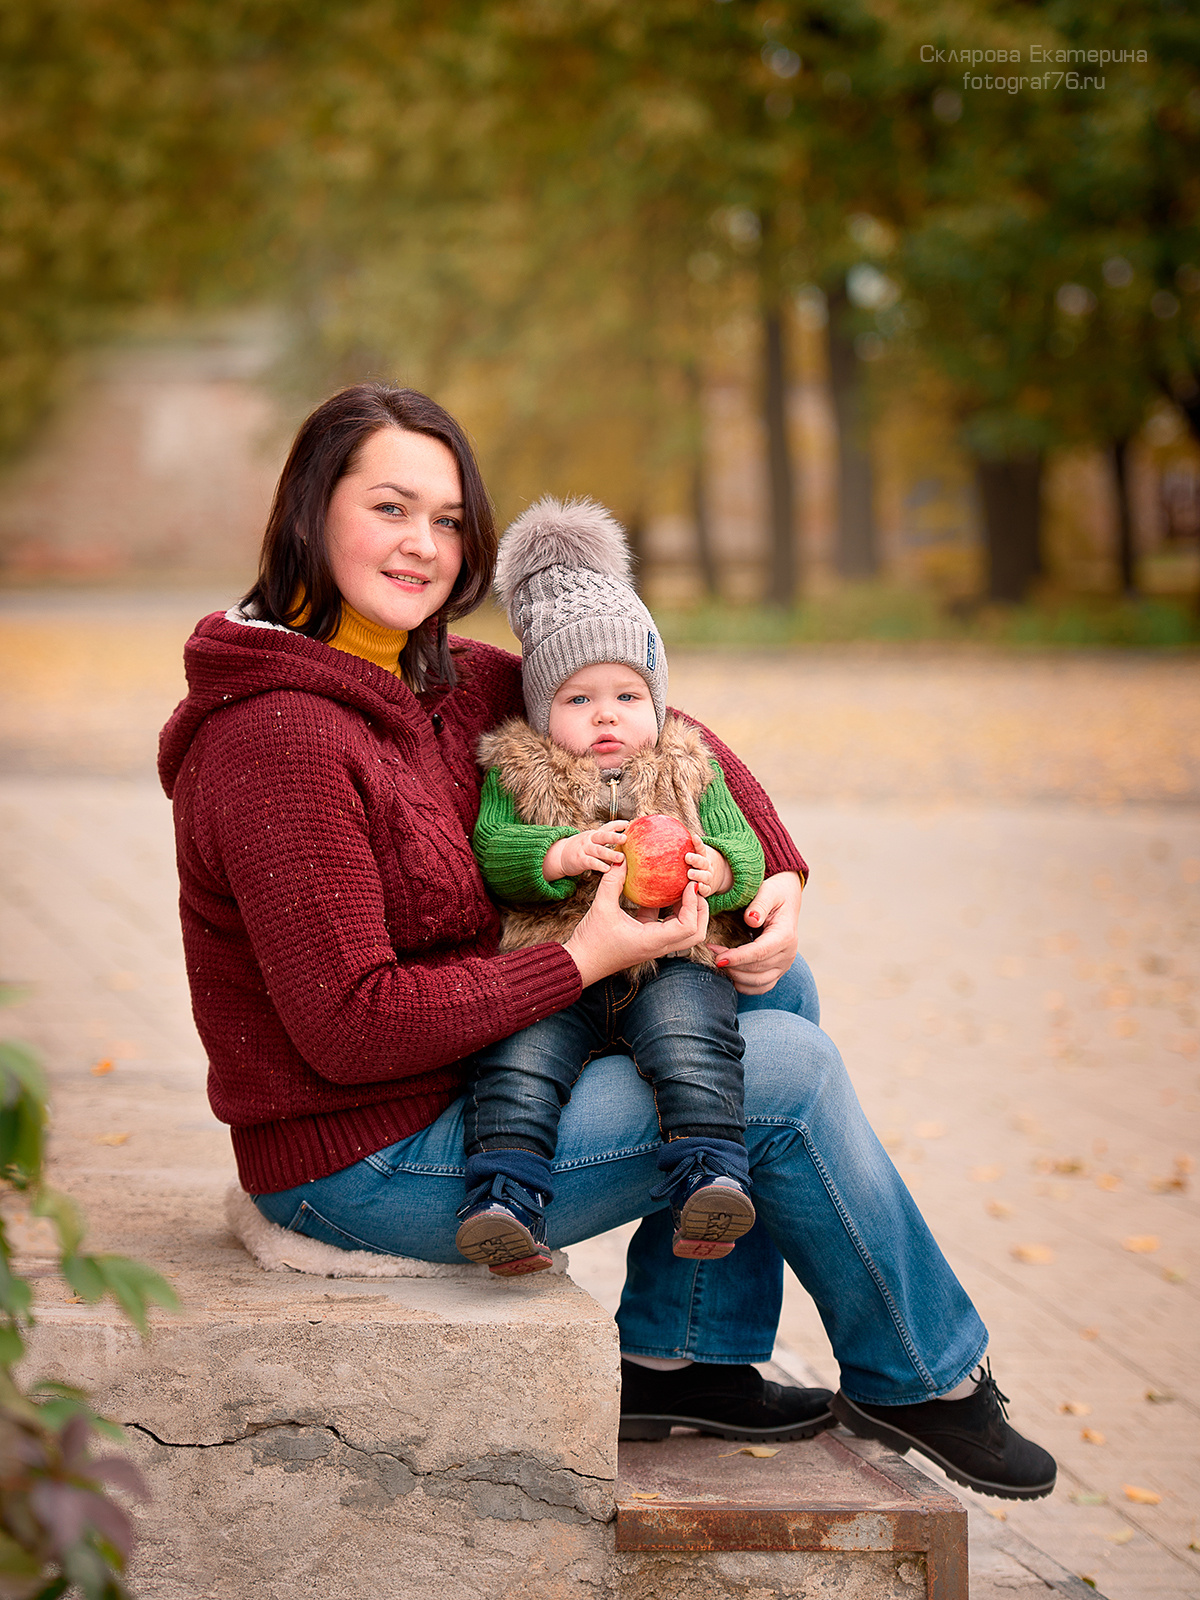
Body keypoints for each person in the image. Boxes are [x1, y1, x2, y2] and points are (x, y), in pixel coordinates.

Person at [159, 381, 1056, 1493]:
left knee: (772, 986)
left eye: (448, 519)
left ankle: (685, 1357)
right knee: (787, 1073)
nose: (424, 544)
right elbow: (350, 1028)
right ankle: (921, 1376)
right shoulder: (277, 740)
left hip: (457, 1080)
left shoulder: (432, 675)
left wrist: (776, 872)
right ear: (310, 509)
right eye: (390, 508)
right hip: (361, 1156)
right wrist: (580, 958)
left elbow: (651, 720)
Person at [459, 496, 764, 1275]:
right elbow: (493, 848)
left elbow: (744, 846)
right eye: (579, 699)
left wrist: (718, 870)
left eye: (627, 697)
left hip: (668, 959)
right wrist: (558, 853)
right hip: (557, 965)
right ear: (542, 710)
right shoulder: (519, 768)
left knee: (695, 1043)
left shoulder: (687, 764)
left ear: (655, 704)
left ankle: (711, 1176)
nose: (606, 718)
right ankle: (505, 1199)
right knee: (519, 1063)